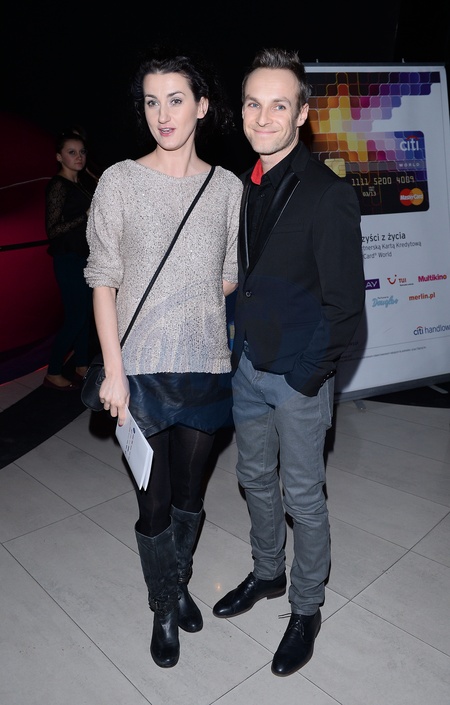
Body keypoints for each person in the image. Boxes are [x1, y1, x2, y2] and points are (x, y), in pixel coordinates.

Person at [84, 47, 243, 669]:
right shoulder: (119, 181)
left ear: (202, 107)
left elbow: (227, 277)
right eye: (152, 102)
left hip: (205, 366)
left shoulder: (226, 188)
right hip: (140, 371)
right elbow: (103, 280)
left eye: (176, 100)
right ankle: (163, 605)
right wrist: (114, 370)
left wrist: (188, 300)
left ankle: (177, 583)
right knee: (153, 501)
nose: (163, 114)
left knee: (190, 498)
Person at [212, 48, 366, 676]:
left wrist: (306, 379)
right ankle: (268, 572)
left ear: (302, 113)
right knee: (253, 478)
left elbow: (345, 308)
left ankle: (306, 608)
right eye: (254, 103)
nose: (263, 116)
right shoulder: (240, 186)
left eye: (279, 105)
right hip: (247, 364)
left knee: (303, 497)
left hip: (298, 376)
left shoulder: (328, 195)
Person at [44, 130, 96, 390]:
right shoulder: (58, 185)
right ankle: (53, 371)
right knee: (76, 317)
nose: (79, 157)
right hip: (68, 259)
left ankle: (81, 365)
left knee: (85, 315)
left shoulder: (81, 184)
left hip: (84, 258)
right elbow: (53, 230)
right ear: (59, 157)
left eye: (82, 152)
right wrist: (85, 215)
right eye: (71, 152)